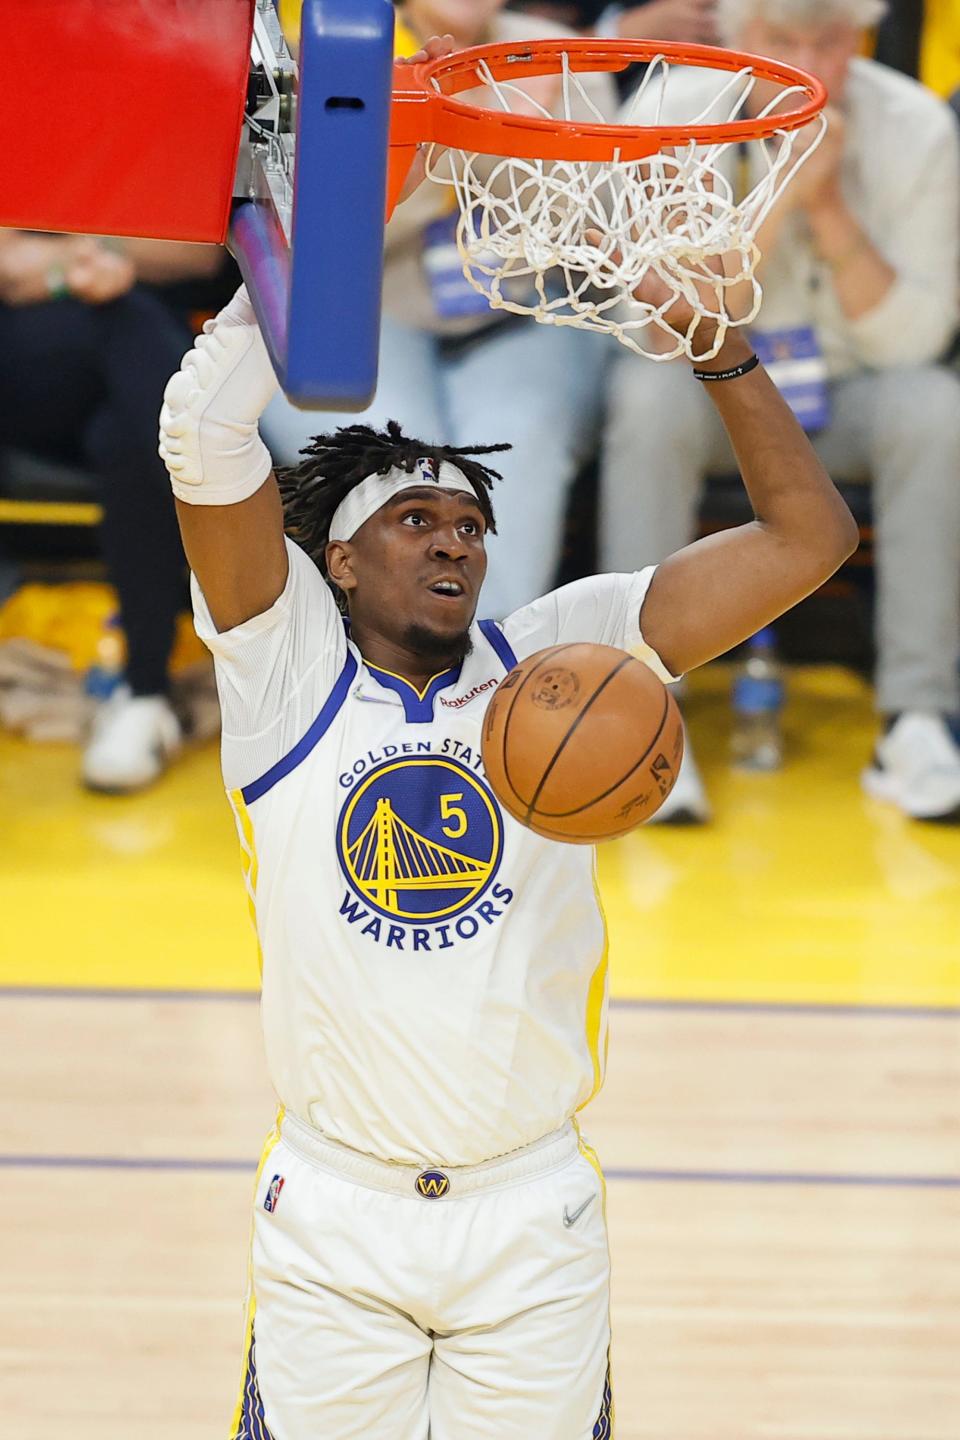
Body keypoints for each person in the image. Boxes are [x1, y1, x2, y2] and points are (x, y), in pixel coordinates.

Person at [158, 31, 855, 1433]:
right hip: (335, 1216)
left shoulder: (564, 650)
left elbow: (807, 536)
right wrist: (331, 211)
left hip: (531, 1210)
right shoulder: (281, 666)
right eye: (414, 519)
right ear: (335, 566)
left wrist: (722, 354)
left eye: (471, 523)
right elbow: (201, 433)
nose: (455, 539)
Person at [600, 0, 960, 824]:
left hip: (852, 395)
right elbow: (662, 329)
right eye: (780, 42)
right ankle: (644, 713)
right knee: (645, 402)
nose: (805, 63)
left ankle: (916, 719)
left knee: (935, 409)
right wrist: (780, 196)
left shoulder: (918, 127)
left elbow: (918, 339)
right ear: (737, 40)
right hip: (707, 392)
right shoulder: (666, 111)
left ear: (859, 39)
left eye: (825, 42)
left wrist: (829, 210)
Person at [261, 0, 617, 620]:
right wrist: (448, 152)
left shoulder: (559, 56)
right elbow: (306, 239)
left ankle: (482, 679)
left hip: (522, 317)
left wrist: (485, 148)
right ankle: (408, 682)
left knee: (514, 454)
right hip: (369, 315)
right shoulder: (325, 48)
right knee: (402, 473)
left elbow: (597, 237)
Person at [0, 231, 225, 791]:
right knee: (148, 362)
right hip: (29, 347)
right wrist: (76, 264)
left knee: (127, 430)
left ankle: (143, 691)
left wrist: (82, 253)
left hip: (133, 354)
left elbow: (203, 250)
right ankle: (158, 684)